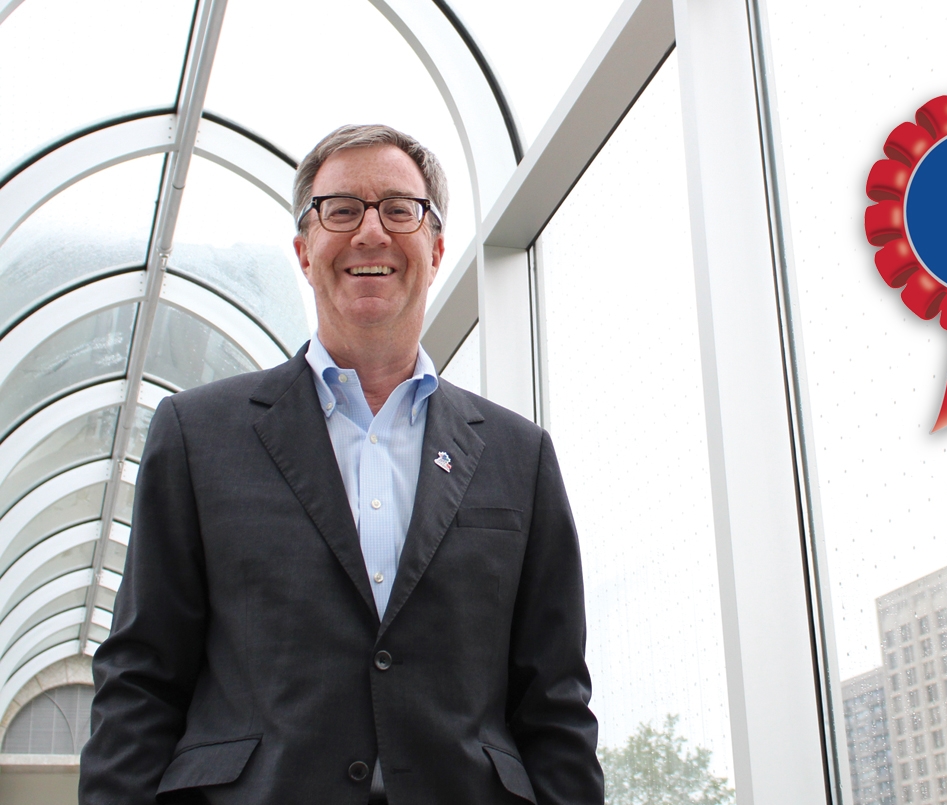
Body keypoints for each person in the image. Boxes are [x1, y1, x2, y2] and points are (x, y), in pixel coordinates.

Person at [79, 125, 603, 804]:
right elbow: (141, 680)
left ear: (437, 248)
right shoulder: (197, 435)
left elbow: (555, 705)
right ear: (304, 251)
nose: (371, 232)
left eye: (399, 209)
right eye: (342, 210)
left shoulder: (518, 456)